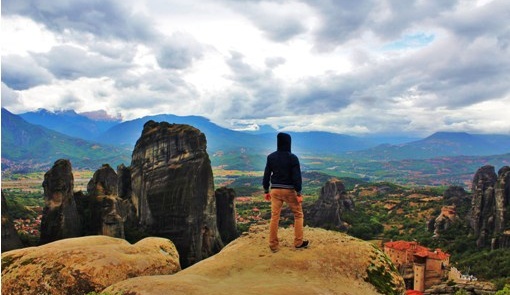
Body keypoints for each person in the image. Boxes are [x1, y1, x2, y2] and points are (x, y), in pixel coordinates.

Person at [263, 132, 309, 252]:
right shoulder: (292, 158)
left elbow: (267, 174)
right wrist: (298, 193)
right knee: (298, 215)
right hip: (289, 190)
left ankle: (273, 245)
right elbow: (296, 177)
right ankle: (298, 242)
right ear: (289, 143)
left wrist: (265, 190)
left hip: (275, 190)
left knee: (274, 216)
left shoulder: (271, 157)